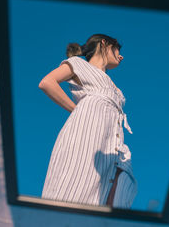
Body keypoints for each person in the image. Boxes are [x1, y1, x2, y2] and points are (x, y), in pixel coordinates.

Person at [39, 33, 138, 209]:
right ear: (104, 43)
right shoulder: (78, 64)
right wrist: (77, 111)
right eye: (117, 49)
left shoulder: (114, 86)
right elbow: (47, 82)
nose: (121, 55)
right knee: (77, 180)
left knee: (120, 183)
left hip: (112, 139)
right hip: (87, 131)